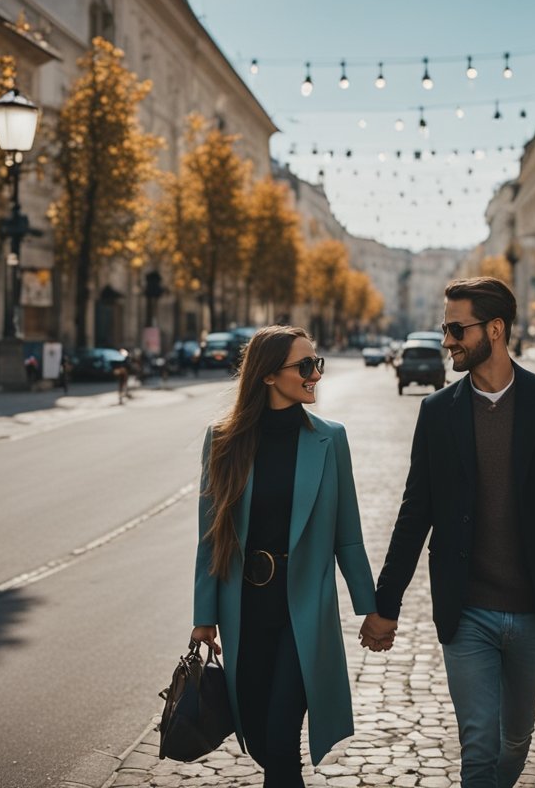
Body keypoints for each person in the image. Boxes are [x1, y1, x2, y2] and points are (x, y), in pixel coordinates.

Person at [362, 277, 535, 788]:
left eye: (455, 328)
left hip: (534, 609)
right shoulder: (437, 413)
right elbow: (414, 513)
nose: (447, 340)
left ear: (494, 329)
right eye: (445, 328)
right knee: (479, 745)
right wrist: (386, 605)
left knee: (516, 741)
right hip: (465, 610)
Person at [191, 326, 378, 788]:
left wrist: (370, 609)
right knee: (256, 731)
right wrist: (205, 615)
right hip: (246, 612)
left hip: (303, 613)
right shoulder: (223, 440)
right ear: (269, 375)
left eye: (317, 364)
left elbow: (347, 537)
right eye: (305, 366)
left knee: (281, 737)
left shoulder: (330, 440)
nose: (316, 374)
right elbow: (210, 537)